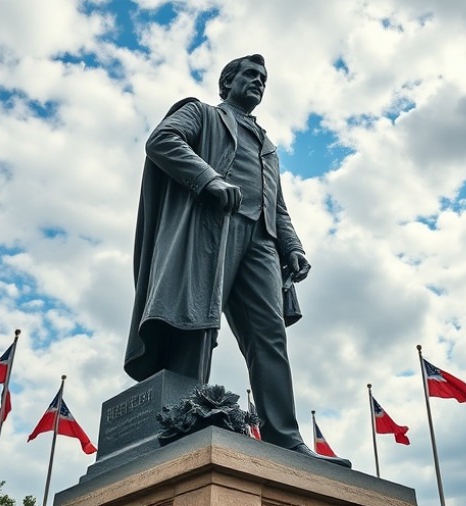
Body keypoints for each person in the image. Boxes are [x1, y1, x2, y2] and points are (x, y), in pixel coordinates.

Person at [125, 54, 350, 467]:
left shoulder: (268, 145)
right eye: (250, 75)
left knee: (270, 336)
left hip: (261, 241)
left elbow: (277, 203)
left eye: (264, 78)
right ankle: (181, 425)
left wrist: (292, 245)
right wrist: (207, 178)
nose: (259, 82)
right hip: (212, 227)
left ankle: (285, 438)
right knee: (195, 320)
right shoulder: (201, 113)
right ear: (226, 82)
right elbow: (162, 141)